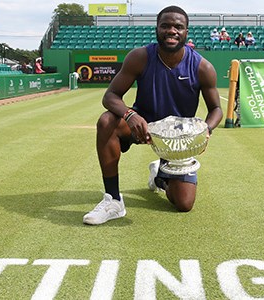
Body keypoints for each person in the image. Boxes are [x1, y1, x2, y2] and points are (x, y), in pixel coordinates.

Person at [83, 5, 222, 225]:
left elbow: (216, 109)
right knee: (107, 120)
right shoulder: (140, 57)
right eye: (165, 25)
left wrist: (206, 129)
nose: (172, 30)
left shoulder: (202, 67)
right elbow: (110, 96)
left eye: (178, 27)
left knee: (184, 203)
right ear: (157, 28)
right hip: (142, 127)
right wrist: (130, 115)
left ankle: (160, 176)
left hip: (177, 139)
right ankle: (113, 200)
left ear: (186, 31)